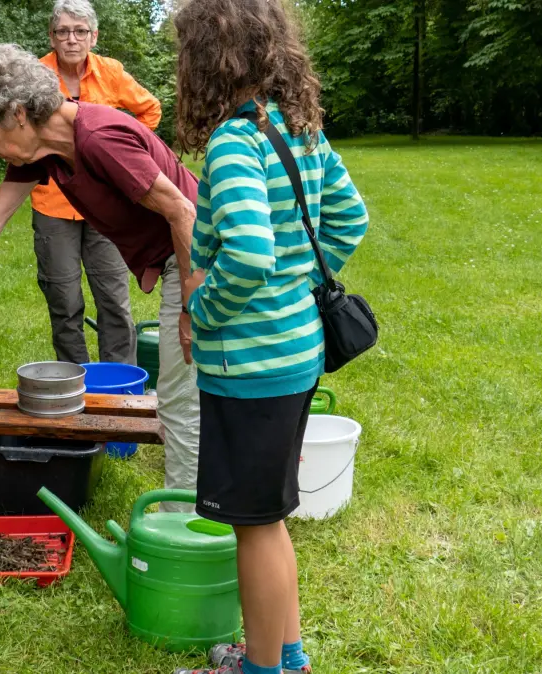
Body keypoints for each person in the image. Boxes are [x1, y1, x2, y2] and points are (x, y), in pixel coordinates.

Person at [0, 43, 201, 513]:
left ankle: (187, 525)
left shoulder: (100, 138)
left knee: (181, 400)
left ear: (18, 113)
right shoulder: (45, 152)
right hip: (183, 254)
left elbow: (184, 211)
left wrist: (192, 307)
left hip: (199, 255)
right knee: (192, 393)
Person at [170, 1, 370, 673]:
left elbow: (251, 255)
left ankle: (259, 669)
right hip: (296, 353)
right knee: (268, 518)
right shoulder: (296, 127)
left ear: (207, 57)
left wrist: (203, 311)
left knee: (252, 526)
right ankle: (288, 657)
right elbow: (350, 219)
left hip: (250, 368)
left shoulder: (235, 142)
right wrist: (300, 285)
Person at [30, 0, 161, 365]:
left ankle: (119, 383)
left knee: (114, 299)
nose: (71, 39)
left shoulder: (111, 72)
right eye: (63, 31)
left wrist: (124, 156)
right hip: (53, 204)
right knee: (64, 300)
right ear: (52, 37)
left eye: (80, 31)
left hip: (107, 205)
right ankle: (74, 381)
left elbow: (150, 109)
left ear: (94, 37)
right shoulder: (34, 75)